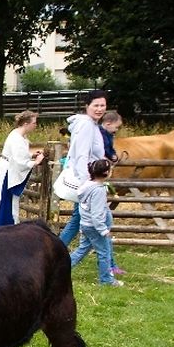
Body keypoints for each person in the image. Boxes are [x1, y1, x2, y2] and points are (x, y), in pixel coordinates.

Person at [52, 90, 107, 246]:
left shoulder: (91, 124)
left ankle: (56, 250)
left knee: (78, 219)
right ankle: (56, 250)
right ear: (87, 106)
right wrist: (86, 184)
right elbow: (81, 155)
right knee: (82, 219)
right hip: (86, 179)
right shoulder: (86, 125)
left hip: (89, 178)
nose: (99, 109)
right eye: (95, 105)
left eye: (102, 105)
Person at [0, 110, 45, 230]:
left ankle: (3, 227)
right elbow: (19, 161)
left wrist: (31, 155)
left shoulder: (19, 136)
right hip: (7, 170)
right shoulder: (17, 138)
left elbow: (18, 155)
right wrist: (35, 162)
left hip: (8, 167)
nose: (36, 125)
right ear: (26, 124)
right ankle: (2, 227)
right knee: (4, 200)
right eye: (34, 123)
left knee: (5, 200)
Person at [70, 158, 123, 286]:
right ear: (106, 173)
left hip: (86, 225)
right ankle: (106, 280)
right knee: (104, 252)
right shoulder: (98, 191)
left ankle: (60, 268)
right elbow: (97, 214)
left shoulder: (87, 186)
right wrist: (103, 230)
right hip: (95, 227)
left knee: (82, 250)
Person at [98, 110, 125, 276]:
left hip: (98, 181)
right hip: (97, 181)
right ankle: (108, 271)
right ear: (108, 123)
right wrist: (110, 158)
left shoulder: (106, 134)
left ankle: (110, 265)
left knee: (83, 240)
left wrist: (113, 156)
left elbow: (108, 149)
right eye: (116, 127)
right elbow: (102, 151)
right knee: (104, 224)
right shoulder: (100, 134)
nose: (117, 130)